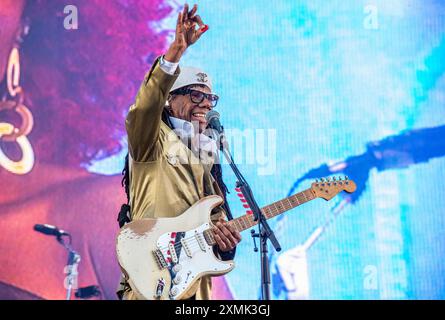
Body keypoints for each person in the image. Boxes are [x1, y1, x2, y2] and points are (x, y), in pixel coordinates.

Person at [119, 4, 242, 300]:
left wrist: (225, 242)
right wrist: (176, 50)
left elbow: (216, 225)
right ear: (171, 100)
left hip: (194, 290)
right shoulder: (150, 139)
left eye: (210, 98)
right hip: (151, 280)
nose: (205, 104)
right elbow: (145, 105)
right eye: (196, 95)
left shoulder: (210, 156)